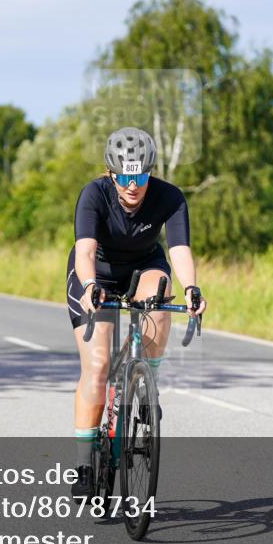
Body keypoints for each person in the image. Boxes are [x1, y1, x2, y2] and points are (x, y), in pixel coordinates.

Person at [66, 127, 207, 500]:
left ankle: (148, 382)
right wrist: (90, 286)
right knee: (96, 367)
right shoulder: (93, 195)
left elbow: (179, 250)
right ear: (112, 174)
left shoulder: (169, 197)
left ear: (150, 172)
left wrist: (192, 288)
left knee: (159, 299)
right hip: (96, 270)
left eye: (140, 176)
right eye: (125, 177)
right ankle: (83, 466)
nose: (133, 185)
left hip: (144, 265)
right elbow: (84, 251)